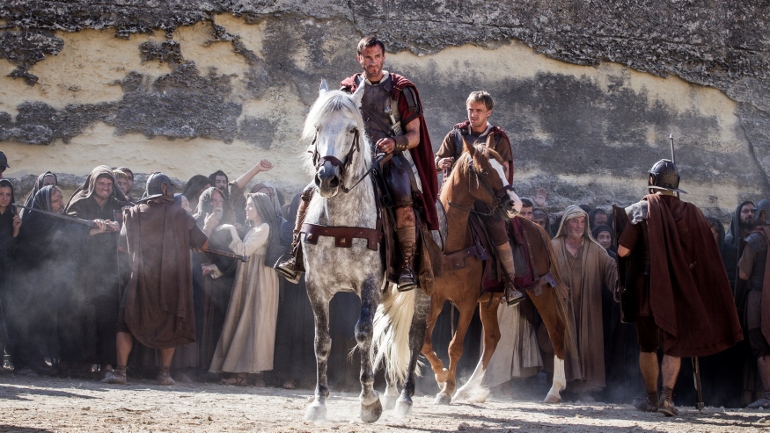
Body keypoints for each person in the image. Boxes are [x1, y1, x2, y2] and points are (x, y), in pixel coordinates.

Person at [277, 35, 439, 293]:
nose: (372, 63)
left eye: (377, 57)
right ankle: (295, 255)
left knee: (403, 195)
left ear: (383, 57)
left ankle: (407, 265)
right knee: (308, 193)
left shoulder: (401, 89)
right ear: (359, 58)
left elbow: (415, 136)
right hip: (349, 159)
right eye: (367, 58)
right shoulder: (347, 89)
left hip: (388, 159)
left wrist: (394, 143)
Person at [618, 159, 743, 416]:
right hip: (679, 290)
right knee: (673, 344)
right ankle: (666, 397)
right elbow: (705, 252)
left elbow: (622, 251)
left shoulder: (641, 210)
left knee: (647, 345)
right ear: (676, 185)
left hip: (647, 289)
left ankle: (652, 398)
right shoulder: (693, 213)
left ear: (651, 180)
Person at [102, 173, 208, 385]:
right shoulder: (181, 215)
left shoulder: (133, 214)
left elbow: (122, 246)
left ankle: (121, 372)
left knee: (125, 324)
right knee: (168, 324)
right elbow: (203, 244)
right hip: (170, 281)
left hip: (140, 279)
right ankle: (164, 374)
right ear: (165, 189)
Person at [431, 90, 523, 304]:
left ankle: (510, 283)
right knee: (427, 226)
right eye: (471, 110)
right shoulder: (456, 134)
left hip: (485, 200)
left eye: (478, 110)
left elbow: (505, 171)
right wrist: (439, 164)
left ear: (488, 112)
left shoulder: (498, 138)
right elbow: (437, 159)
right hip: (455, 201)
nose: (473, 114)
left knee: (498, 229)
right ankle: (417, 273)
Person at [8, 185, 90, 376]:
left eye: (61, 199)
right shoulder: (37, 222)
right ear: (44, 202)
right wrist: (91, 226)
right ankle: (26, 364)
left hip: (42, 282)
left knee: (40, 322)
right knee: (28, 323)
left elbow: (67, 230)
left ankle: (38, 362)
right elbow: (63, 232)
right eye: (55, 201)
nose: (61, 203)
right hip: (27, 280)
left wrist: (94, 226)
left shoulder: (53, 220)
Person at [59, 166, 126, 378]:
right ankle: (81, 365)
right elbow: (68, 229)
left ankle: (108, 365)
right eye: (101, 184)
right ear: (93, 184)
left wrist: (120, 224)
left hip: (110, 271)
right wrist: (94, 228)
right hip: (83, 270)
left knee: (108, 318)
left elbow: (133, 223)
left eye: (108, 184)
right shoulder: (80, 203)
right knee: (81, 317)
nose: (105, 188)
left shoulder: (119, 204)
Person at [209, 193, 281, 385]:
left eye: (251, 206)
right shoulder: (255, 227)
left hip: (260, 278)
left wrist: (231, 229)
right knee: (243, 319)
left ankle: (249, 371)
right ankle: (240, 371)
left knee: (255, 321)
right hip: (249, 276)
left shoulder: (264, 227)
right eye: (247, 205)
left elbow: (244, 250)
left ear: (261, 208)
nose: (247, 209)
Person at [552, 205, 618, 401]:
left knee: (589, 343)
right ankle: (562, 386)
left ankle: (587, 389)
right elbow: (542, 272)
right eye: (574, 221)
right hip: (563, 306)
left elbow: (612, 269)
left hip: (590, 306)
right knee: (563, 342)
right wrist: (555, 285)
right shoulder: (553, 246)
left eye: (582, 222)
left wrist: (622, 282)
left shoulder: (595, 249)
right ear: (565, 223)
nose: (579, 226)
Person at [194, 186, 238, 373]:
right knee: (199, 322)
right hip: (199, 281)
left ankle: (214, 369)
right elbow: (194, 250)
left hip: (222, 282)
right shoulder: (195, 221)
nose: (217, 205)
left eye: (220, 201)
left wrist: (217, 268)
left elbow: (236, 254)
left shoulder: (231, 225)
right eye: (213, 201)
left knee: (218, 325)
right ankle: (196, 367)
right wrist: (208, 228)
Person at [737, 199, 770, 408]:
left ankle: (769, 395)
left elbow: (743, 273)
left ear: (763, 215)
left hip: (759, 298)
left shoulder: (755, 239)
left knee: (761, 347)